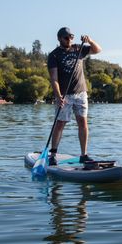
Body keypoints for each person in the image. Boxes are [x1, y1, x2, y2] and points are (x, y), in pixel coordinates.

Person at [47, 27, 102, 166]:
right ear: (59, 38)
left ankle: (84, 155)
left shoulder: (79, 48)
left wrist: (89, 40)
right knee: (60, 124)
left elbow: (97, 50)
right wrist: (58, 96)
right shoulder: (54, 55)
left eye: (71, 36)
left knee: (83, 123)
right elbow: (54, 78)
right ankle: (52, 154)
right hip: (65, 96)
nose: (70, 39)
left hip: (81, 93)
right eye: (66, 37)